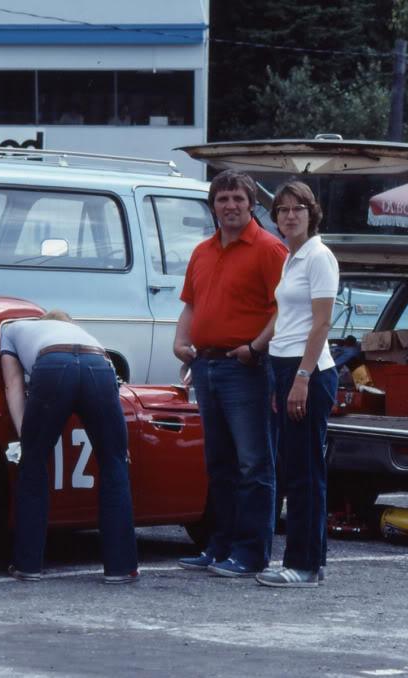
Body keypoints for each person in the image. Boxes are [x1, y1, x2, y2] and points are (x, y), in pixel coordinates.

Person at [173, 169, 287, 577]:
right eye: (223, 200)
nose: (231, 206)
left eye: (238, 199)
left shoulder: (270, 250)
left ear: (253, 203)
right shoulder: (202, 251)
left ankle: (251, 552)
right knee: (219, 463)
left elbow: (283, 309)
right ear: (213, 206)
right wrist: (180, 342)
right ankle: (218, 546)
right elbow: (190, 303)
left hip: (246, 368)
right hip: (206, 365)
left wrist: (255, 348)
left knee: (254, 465)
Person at [0, 310, 139, 584]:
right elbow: (112, 389)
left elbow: (13, 384)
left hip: (53, 364)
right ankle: (121, 568)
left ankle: (28, 564)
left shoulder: (12, 330)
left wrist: (26, 439)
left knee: (35, 464)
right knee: (114, 464)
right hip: (99, 364)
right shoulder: (83, 334)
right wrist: (119, 444)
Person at [254, 181, 339, 588]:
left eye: (298, 209)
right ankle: (310, 560)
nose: (290, 216)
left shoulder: (319, 257)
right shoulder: (292, 258)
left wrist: (303, 377)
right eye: (283, 210)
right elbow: (288, 321)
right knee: (296, 467)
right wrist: (280, 379)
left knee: (305, 471)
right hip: (285, 366)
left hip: (309, 370)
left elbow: (321, 322)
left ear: (312, 213)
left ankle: (303, 564)